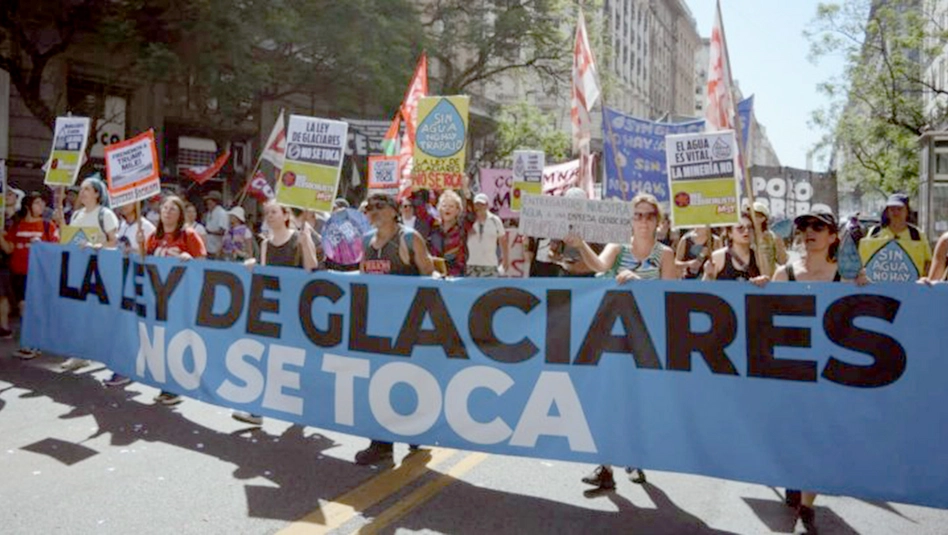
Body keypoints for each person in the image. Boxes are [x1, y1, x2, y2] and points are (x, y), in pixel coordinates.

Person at [564, 192, 676, 491]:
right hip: (613, 335)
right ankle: (606, 467)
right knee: (609, 399)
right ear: (630, 220)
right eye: (637, 215)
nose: (643, 221)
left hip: (645, 339)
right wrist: (581, 245)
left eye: (649, 215)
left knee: (636, 403)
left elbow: (672, 297)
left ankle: (635, 457)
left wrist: (642, 286)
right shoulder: (619, 246)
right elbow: (600, 266)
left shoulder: (664, 254)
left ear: (658, 221)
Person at [767, 207, 866, 533]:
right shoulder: (784, 273)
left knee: (819, 437)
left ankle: (807, 507)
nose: (809, 231)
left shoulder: (848, 276)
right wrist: (759, 288)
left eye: (818, 226)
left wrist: (868, 287)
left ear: (833, 236)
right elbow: (766, 318)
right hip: (791, 369)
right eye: (804, 226)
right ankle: (796, 477)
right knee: (793, 433)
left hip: (829, 372)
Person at [355, 192, 434, 466]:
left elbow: (430, 276)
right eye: (369, 208)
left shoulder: (410, 239)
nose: (373, 211)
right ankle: (381, 445)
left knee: (409, 382)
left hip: (409, 326)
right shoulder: (366, 241)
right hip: (377, 325)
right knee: (378, 384)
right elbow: (362, 278)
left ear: (394, 210)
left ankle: (415, 430)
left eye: (380, 206)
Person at [232, 200, 318, 425]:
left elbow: (311, 267)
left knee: (296, 362)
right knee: (266, 358)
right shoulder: (265, 244)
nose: (269, 216)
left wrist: (306, 240)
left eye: (274, 212)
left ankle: (304, 407)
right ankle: (257, 411)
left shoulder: (298, 238)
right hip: (274, 309)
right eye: (266, 213)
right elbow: (265, 276)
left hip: (297, 309)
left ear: (286, 215)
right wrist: (253, 266)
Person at [55, 175, 119, 370]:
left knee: (99, 315)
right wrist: (60, 224)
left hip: (100, 271)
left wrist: (96, 246)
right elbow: (68, 240)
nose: (82, 193)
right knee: (78, 313)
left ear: (97, 194)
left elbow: (114, 242)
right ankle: (79, 354)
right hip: (79, 270)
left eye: (86, 189)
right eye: (81, 189)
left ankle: (108, 351)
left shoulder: (105, 214)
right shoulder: (76, 215)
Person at [147, 196, 207, 406]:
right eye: (165, 208)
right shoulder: (153, 236)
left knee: (175, 342)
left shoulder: (189, 235)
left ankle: (174, 388)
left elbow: (202, 263)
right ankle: (166, 385)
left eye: (173, 209)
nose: (167, 211)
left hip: (180, 298)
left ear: (180, 214)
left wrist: (190, 260)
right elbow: (144, 262)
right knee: (159, 342)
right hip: (157, 297)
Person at [103, 203, 156, 387]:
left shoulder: (147, 228)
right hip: (121, 282)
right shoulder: (123, 225)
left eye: (127, 202)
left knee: (131, 327)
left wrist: (135, 250)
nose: (123, 205)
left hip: (137, 284)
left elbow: (150, 258)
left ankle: (126, 369)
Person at [2, 191, 58, 358]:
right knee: (23, 308)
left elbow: (55, 249)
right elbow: (9, 249)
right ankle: (30, 343)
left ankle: (33, 344)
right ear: (28, 206)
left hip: (38, 274)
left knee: (31, 308)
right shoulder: (17, 225)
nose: (42, 206)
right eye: (37, 203)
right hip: (18, 274)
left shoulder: (48, 226)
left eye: (43, 203)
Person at [859, 193, 932, 281]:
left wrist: (925, 278)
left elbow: (928, 262)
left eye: (899, 209)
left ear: (907, 211)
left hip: (910, 287)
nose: (895, 212)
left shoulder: (917, 235)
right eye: (892, 209)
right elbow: (863, 260)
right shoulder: (874, 232)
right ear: (887, 212)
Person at [703, 214, 766, 283]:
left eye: (749, 227)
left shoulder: (759, 257)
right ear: (730, 233)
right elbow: (704, 287)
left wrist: (763, 281)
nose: (746, 231)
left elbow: (771, 283)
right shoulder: (718, 257)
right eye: (740, 228)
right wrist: (708, 275)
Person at [466, 193, 507, 277]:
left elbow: (503, 240)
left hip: (490, 264)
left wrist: (505, 260)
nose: (479, 207)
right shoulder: (468, 220)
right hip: (471, 264)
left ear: (487, 205)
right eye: (477, 204)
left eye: (482, 204)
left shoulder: (495, 220)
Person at [429, 190, 467, 277]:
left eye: (451, 206)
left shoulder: (462, 229)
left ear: (457, 210)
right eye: (444, 206)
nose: (447, 208)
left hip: (457, 275)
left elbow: (470, 214)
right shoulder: (433, 227)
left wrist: (466, 191)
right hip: (436, 274)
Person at [750, 201, 788, 277]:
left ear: (763, 218)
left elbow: (782, 261)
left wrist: (779, 244)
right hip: (747, 280)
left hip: (768, 280)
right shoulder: (743, 235)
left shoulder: (772, 237)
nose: (750, 217)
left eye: (755, 215)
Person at [203, 191, 229, 259]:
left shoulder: (222, 213)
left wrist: (209, 232)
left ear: (216, 202)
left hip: (217, 248)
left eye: (210, 202)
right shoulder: (209, 213)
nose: (208, 204)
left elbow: (222, 231)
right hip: (208, 246)